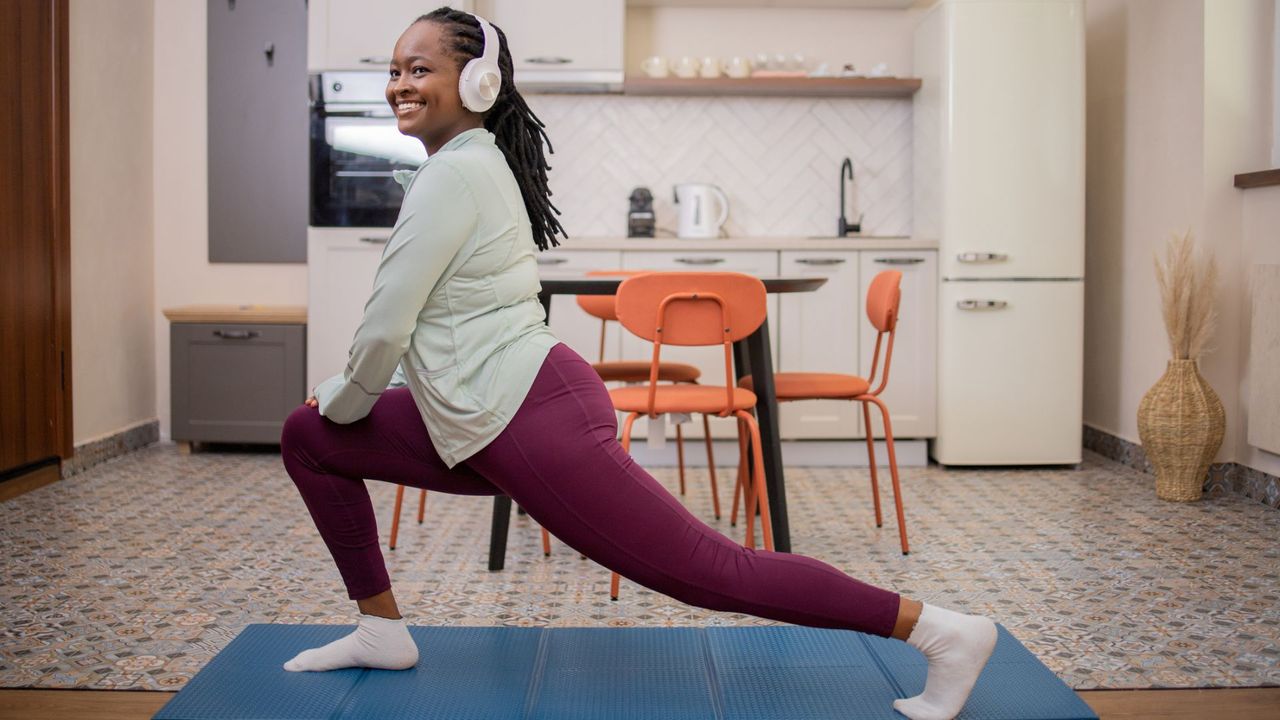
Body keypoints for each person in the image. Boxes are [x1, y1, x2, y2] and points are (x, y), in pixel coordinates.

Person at [279, 8, 996, 719]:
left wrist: (346, 395)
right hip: (483, 407)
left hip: (525, 414)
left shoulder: (453, 176)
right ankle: (380, 630)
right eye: (396, 70)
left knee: (710, 571)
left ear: (476, 83)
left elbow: (386, 326)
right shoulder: (463, 167)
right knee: (309, 438)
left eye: (421, 69)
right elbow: (442, 324)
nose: (400, 84)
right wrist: (342, 403)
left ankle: (941, 632)